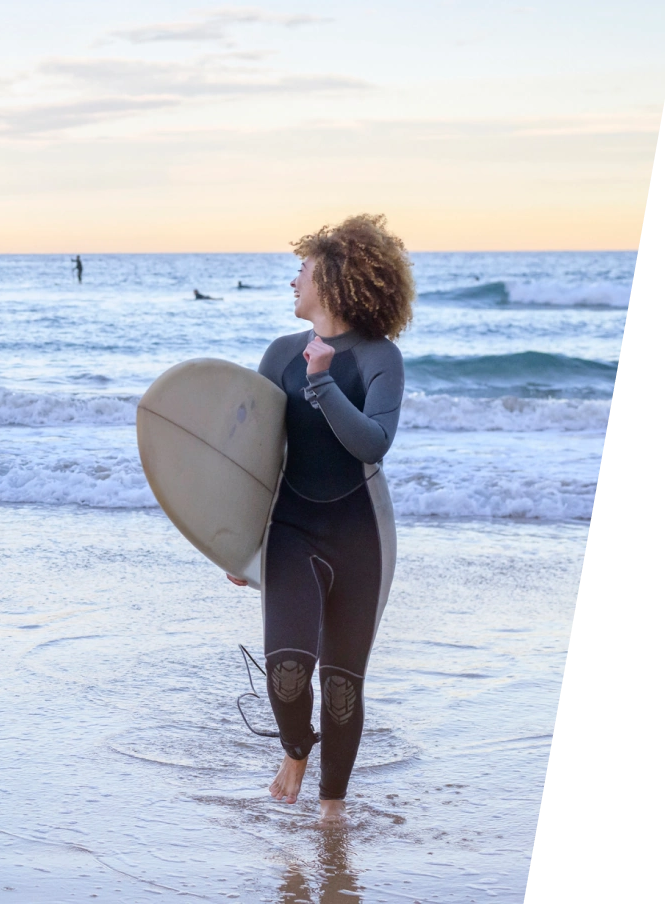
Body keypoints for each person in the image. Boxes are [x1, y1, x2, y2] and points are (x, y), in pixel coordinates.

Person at [226, 213, 413, 823]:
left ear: (332, 279)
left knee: (340, 685)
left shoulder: (381, 358)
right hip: (291, 529)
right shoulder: (280, 354)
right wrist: (238, 542)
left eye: (302, 271)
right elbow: (255, 456)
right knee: (286, 672)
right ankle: (295, 749)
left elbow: (373, 443)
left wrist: (323, 382)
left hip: (362, 535)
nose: (293, 281)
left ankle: (332, 811)